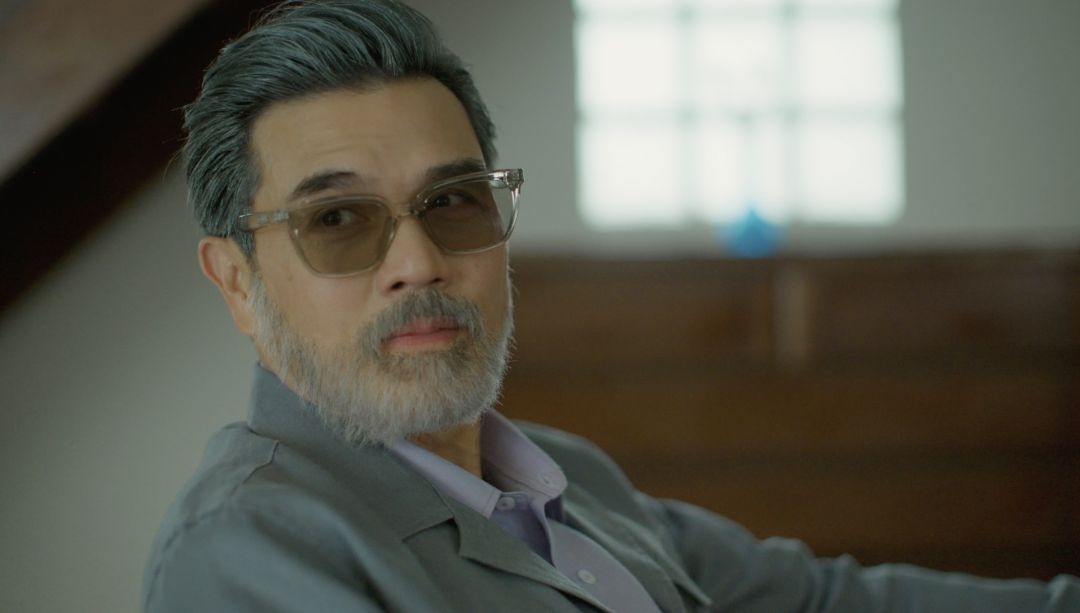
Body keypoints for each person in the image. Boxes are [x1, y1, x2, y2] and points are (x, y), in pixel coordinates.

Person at [142, 1, 1078, 611]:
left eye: (454, 199)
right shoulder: (246, 549)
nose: (418, 263)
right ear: (237, 281)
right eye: (338, 219)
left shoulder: (571, 477)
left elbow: (822, 600)